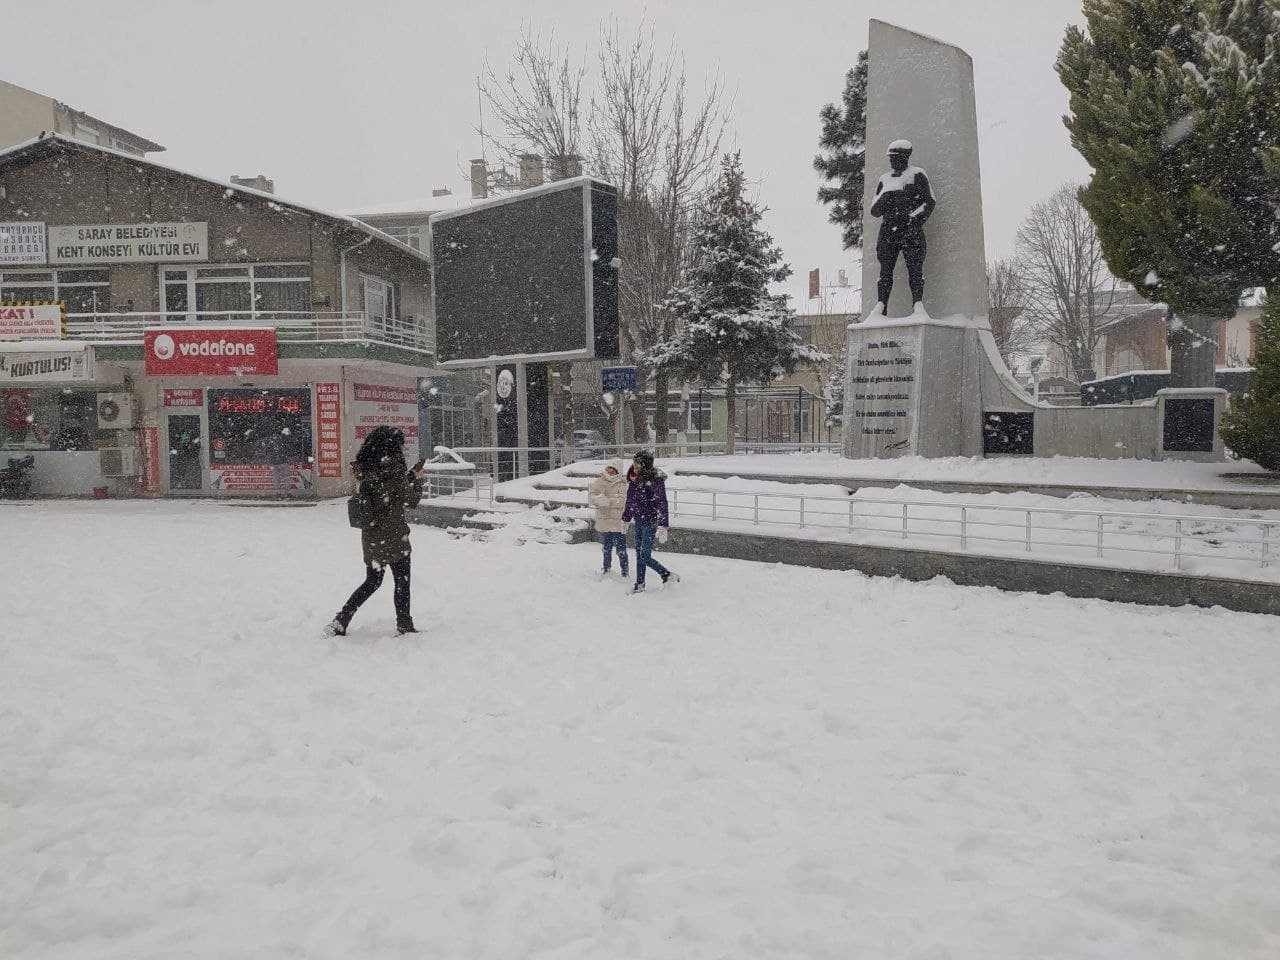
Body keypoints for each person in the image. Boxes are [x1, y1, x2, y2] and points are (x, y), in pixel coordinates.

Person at [328, 426, 425, 636]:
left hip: (372, 537)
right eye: (400, 445)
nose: (402, 449)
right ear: (392, 447)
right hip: (395, 536)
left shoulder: (367, 470)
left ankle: (342, 618)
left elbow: (385, 493)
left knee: (372, 581)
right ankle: (404, 623)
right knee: (402, 581)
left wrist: (406, 478)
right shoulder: (394, 474)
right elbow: (412, 500)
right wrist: (417, 479)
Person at [869, 139, 936, 314]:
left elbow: (929, 202)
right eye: (890, 158)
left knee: (915, 269)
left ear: (904, 158)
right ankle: (881, 306)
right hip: (888, 231)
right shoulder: (884, 179)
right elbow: (874, 210)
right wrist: (888, 196)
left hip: (910, 230)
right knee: (885, 271)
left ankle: (917, 304)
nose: (891, 161)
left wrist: (915, 219)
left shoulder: (917, 175)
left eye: (895, 157)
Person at [621, 450, 679, 593]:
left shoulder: (654, 479)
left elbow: (661, 502)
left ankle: (666, 574)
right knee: (639, 553)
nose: (634, 464)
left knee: (644, 556)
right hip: (638, 520)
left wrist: (663, 525)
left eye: (637, 462)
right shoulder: (634, 479)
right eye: (634, 461)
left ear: (644, 464)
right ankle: (640, 584)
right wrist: (626, 518)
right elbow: (630, 500)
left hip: (650, 521)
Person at [587, 459, 628, 577]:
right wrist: (597, 500)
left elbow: (622, 501)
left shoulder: (622, 484)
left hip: (617, 521)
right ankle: (606, 569)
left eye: (613, 469)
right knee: (606, 548)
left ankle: (625, 571)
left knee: (621, 549)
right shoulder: (599, 481)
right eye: (609, 468)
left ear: (618, 471)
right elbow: (591, 496)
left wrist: (607, 501)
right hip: (604, 519)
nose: (610, 471)